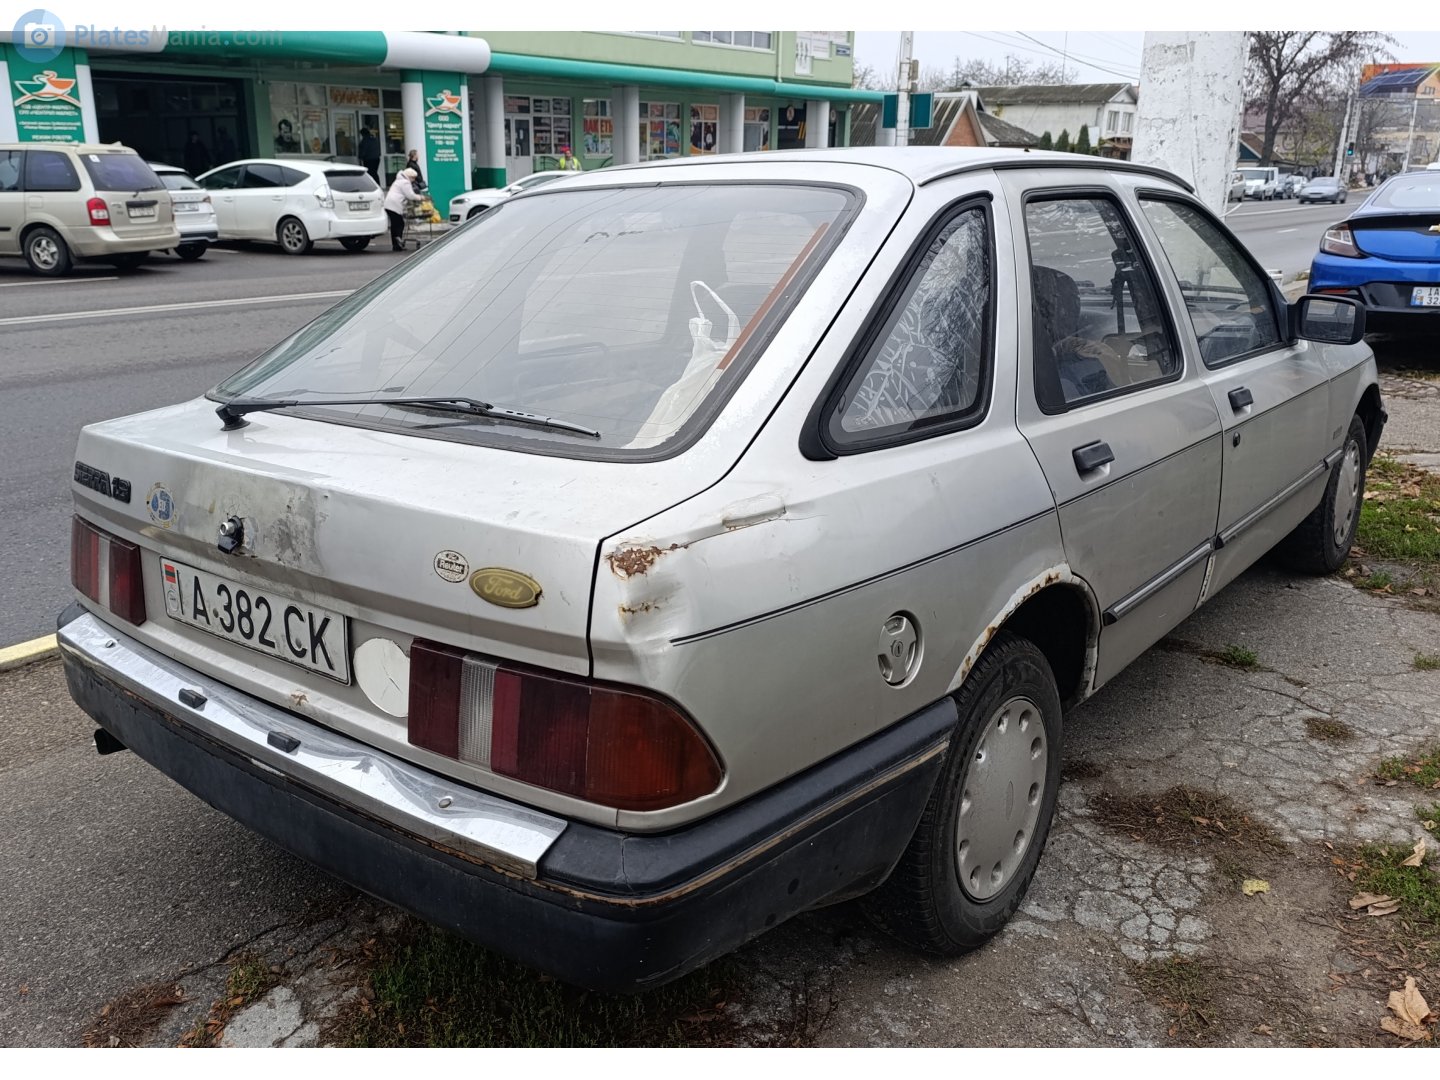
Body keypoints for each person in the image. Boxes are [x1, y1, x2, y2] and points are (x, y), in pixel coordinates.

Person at [384, 168, 419, 252]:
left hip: (388, 204)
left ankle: (395, 244)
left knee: (395, 224)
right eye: (413, 178)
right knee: (400, 224)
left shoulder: (398, 180)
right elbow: (410, 195)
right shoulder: (405, 182)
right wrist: (420, 197)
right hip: (394, 205)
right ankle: (398, 244)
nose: (413, 180)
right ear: (409, 176)